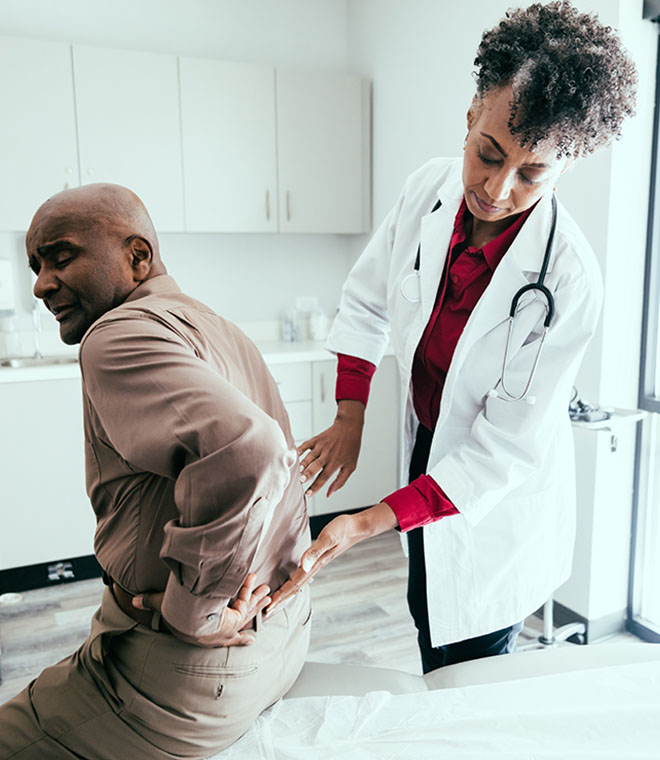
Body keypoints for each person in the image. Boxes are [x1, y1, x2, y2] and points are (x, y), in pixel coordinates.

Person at [267, 1, 637, 673]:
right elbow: (368, 295)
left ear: (569, 166)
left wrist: (364, 520)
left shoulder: (570, 280)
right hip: (428, 448)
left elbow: (499, 456)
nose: (497, 189)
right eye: (488, 155)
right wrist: (351, 415)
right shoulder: (427, 190)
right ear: (470, 119)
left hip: (497, 509)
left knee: (471, 658)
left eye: (533, 173)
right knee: (426, 612)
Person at [0, 183, 311, 759]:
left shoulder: (113, 333)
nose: (41, 284)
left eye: (61, 256)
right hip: (281, 642)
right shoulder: (218, 324)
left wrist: (194, 613)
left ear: (137, 257)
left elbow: (251, 452)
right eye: (35, 265)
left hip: (188, 675)